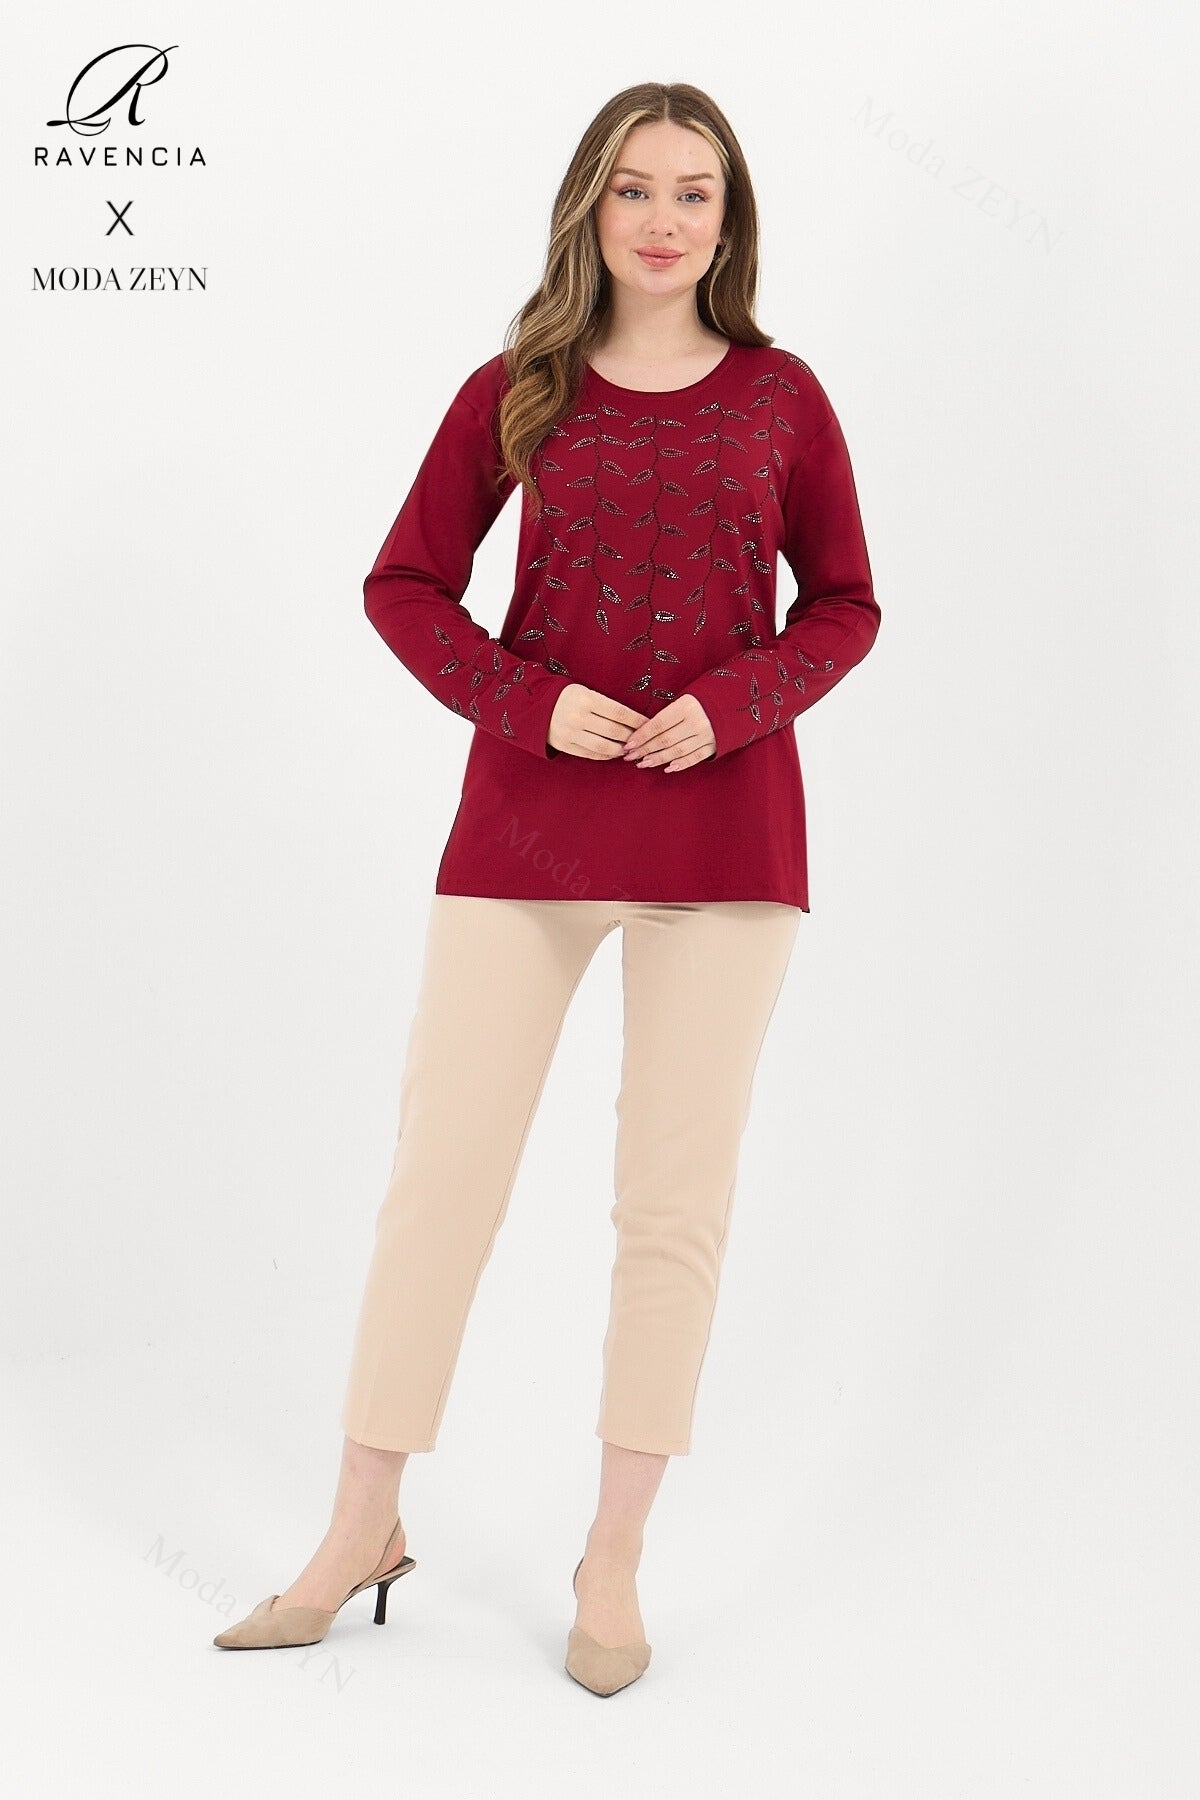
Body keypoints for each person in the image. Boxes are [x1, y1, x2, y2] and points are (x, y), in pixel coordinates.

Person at [213, 81, 881, 1695]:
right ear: (591, 204)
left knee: (673, 1207)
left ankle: (615, 1554)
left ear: (730, 222)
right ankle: (360, 1522)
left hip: (726, 848)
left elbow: (847, 605)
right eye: (636, 187)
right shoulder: (520, 387)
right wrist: (529, 702)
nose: (664, 219)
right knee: (441, 1179)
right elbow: (404, 583)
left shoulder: (784, 398)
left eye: (696, 193)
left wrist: (732, 704)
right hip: (524, 836)